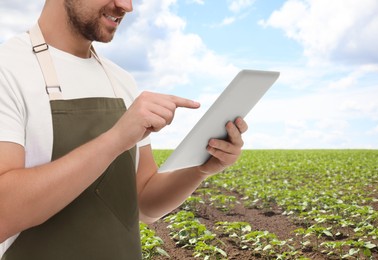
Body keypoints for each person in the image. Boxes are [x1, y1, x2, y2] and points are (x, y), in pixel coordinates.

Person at [0, 0, 248, 259]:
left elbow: (144, 203)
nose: (126, 6)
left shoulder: (121, 81)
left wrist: (200, 169)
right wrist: (116, 139)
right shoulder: (8, 70)